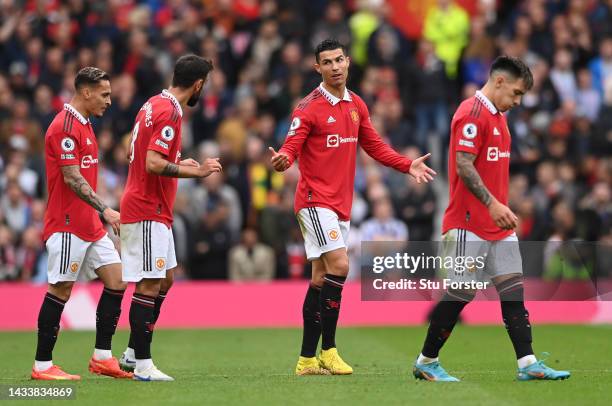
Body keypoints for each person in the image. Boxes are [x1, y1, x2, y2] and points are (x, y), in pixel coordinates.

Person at [270, 39, 436, 376]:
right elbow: (291, 145)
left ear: (348, 62)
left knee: (320, 278)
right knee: (341, 266)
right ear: (317, 68)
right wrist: (284, 159)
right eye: (327, 62)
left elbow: (374, 145)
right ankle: (329, 350)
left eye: (339, 60)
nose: (335, 67)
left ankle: (305, 360)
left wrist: (408, 165)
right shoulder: (307, 107)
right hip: (315, 202)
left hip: (340, 204)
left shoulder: (356, 104)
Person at [412, 56, 571, 382]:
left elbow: (491, 168)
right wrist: (493, 204)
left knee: (513, 292)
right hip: (468, 222)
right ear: (498, 82)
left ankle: (528, 363)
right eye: (515, 93)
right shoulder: (471, 114)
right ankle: (426, 361)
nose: (517, 101)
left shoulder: (499, 116)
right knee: (461, 292)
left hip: (497, 227)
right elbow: (463, 165)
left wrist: (505, 206)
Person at [118, 55, 222, 381]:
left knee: (165, 279)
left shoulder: (152, 104)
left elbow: (132, 152)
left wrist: (180, 161)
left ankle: (134, 352)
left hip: (153, 207)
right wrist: (199, 171)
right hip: (147, 207)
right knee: (149, 283)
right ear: (198, 85)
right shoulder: (171, 112)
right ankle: (143, 366)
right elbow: (151, 162)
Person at [32, 67, 131, 380]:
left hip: (89, 225)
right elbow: (72, 177)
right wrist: (106, 209)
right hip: (67, 225)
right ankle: (42, 366)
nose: (109, 101)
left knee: (117, 280)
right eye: (104, 94)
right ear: (86, 92)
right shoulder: (64, 126)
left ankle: (102, 357)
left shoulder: (86, 125)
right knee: (60, 289)